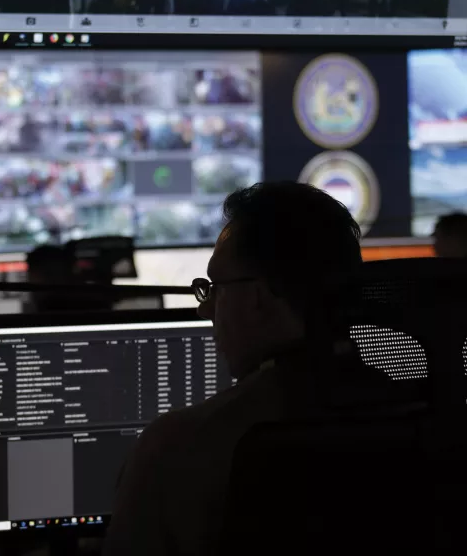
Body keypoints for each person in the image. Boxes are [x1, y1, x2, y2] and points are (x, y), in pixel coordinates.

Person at [104, 182, 393, 556]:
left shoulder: (175, 446)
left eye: (216, 288)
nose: (205, 309)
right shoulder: (424, 413)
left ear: (256, 296)